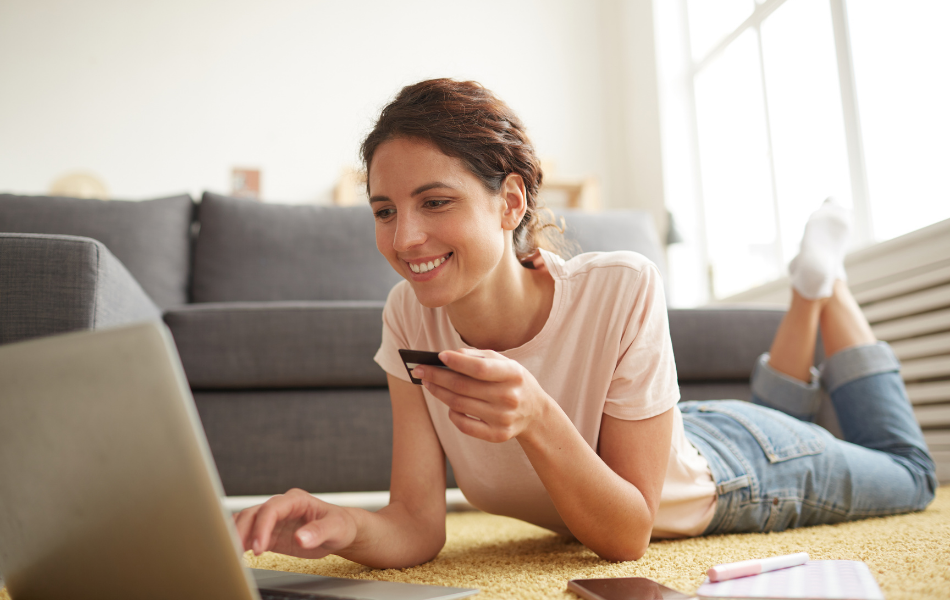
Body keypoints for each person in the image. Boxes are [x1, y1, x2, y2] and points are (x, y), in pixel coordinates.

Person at [234, 79, 937, 567]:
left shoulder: (621, 284)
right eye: (385, 211)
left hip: (737, 473)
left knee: (910, 477)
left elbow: (628, 534)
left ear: (510, 203)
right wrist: (340, 526)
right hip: (679, 434)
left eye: (435, 202)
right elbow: (417, 525)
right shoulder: (408, 314)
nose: (406, 237)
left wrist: (535, 414)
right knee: (777, 420)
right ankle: (810, 292)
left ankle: (821, 288)